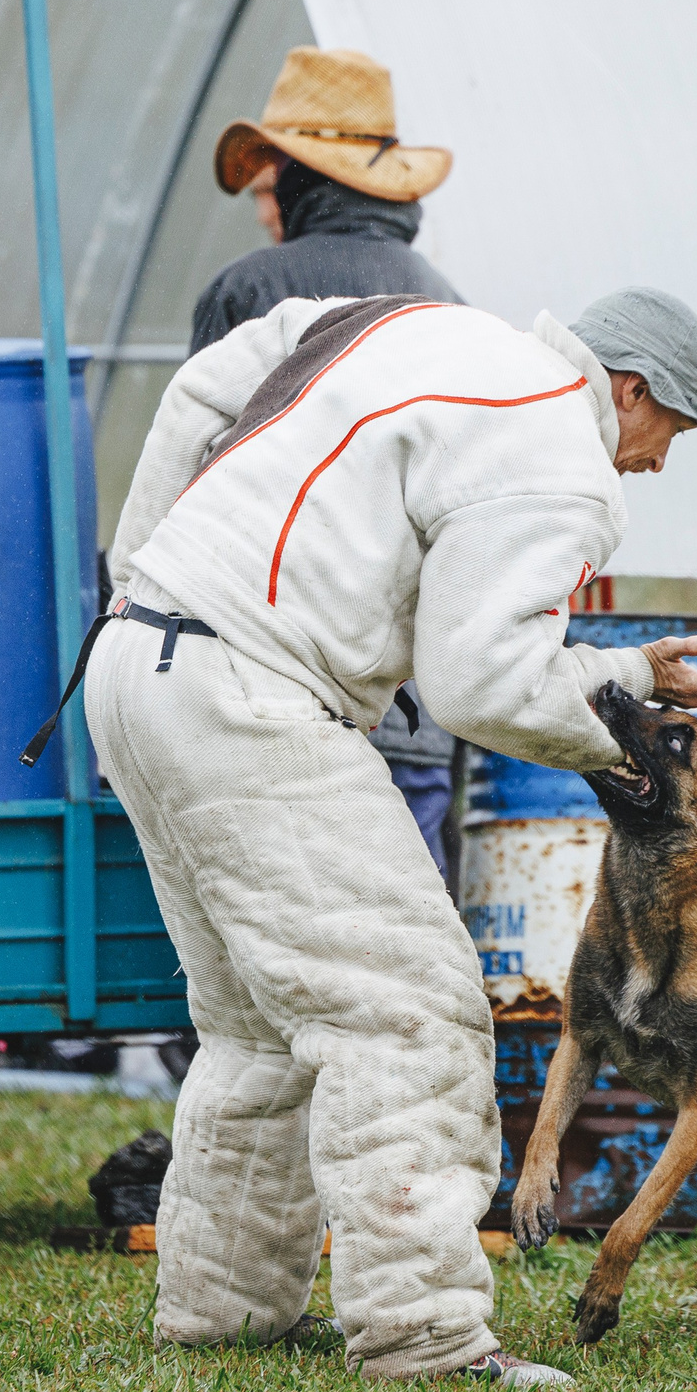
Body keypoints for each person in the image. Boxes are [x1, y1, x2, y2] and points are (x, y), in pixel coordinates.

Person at [90, 284, 697, 1386]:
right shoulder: (561, 455)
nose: (656, 459)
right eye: (670, 428)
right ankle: (424, 1337)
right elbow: (477, 683)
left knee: (259, 1026)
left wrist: (136, 572)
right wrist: (623, 726)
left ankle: (227, 1310)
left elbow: (208, 383)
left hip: (139, 661)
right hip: (249, 693)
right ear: (627, 388)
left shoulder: (407, 322)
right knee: (412, 1011)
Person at [192, 47, 465, 874]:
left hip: (279, 689)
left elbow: (203, 493)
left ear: (306, 177)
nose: (262, 202)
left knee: (292, 940)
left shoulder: (245, 292)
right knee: (411, 949)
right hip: (411, 694)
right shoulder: (447, 301)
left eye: (272, 176)